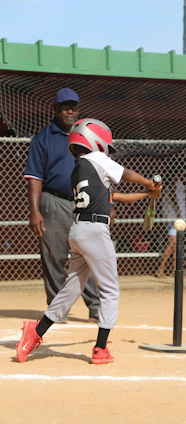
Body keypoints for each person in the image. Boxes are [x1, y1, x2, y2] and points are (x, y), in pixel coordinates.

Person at [16, 118, 162, 365]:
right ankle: (100, 348)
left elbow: (116, 196)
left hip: (79, 231)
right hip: (95, 232)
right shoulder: (99, 160)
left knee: (71, 288)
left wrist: (149, 194)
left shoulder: (80, 169)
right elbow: (125, 174)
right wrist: (150, 182)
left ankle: (36, 331)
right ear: (96, 140)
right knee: (110, 289)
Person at [24, 88, 100, 323]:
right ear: (55, 109)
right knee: (54, 257)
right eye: (65, 107)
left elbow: (101, 169)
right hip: (54, 202)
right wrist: (35, 211)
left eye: (73, 107)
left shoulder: (87, 135)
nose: (70, 111)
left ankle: (96, 307)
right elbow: (35, 176)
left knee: (88, 255)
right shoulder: (42, 138)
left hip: (84, 202)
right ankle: (58, 310)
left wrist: (107, 201)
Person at [156, 177, 186, 278]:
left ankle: (175, 270)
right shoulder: (173, 180)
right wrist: (178, 211)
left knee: (176, 244)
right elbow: (173, 195)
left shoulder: (178, 181)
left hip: (177, 216)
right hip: (173, 216)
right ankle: (161, 269)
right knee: (173, 241)